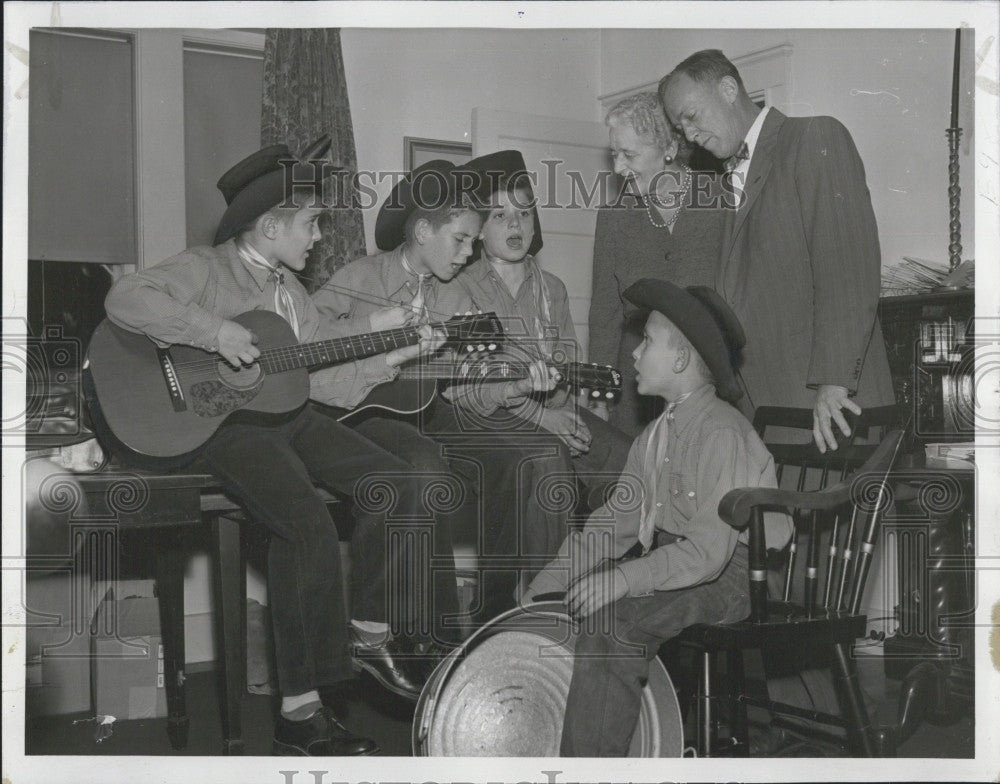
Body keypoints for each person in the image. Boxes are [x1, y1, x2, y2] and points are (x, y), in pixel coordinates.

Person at [101, 140, 443, 755]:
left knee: (397, 482)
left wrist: (385, 346)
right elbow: (125, 300)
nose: (317, 238)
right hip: (219, 427)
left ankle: (367, 632)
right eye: (311, 224)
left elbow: (318, 371)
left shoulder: (290, 291)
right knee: (306, 524)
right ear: (271, 224)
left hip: (288, 415)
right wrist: (214, 331)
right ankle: (298, 714)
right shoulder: (206, 268)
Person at [523, 278, 792, 756]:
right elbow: (611, 526)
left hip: (735, 574)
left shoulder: (722, 433)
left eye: (646, 340)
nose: (633, 353)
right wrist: (547, 586)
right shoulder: (654, 437)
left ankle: (591, 767)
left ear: (682, 360)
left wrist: (627, 578)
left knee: (612, 624)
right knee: (583, 605)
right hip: (681, 563)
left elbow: (710, 552)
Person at [428, 149, 633, 626]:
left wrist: (571, 409)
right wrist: (545, 417)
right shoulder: (461, 288)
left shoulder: (552, 289)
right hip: (486, 421)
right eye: (499, 215)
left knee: (632, 466)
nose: (514, 225)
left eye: (523, 213)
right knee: (548, 463)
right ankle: (539, 610)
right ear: (479, 227)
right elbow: (463, 390)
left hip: (556, 413)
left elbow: (570, 371)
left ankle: (602, 594)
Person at [659, 49, 895, 450]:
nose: (690, 135)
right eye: (680, 127)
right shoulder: (721, 180)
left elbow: (848, 270)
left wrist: (834, 384)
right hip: (766, 411)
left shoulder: (814, 137)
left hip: (828, 407)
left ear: (729, 89)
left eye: (691, 117)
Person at [310, 160, 483, 683]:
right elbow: (306, 344)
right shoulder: (360, 277)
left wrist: (481, 369)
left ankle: (425, 635)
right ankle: (415, 633)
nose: (469, 252)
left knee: (431, 463)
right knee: (426, 465)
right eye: (460, 240)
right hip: (340, 412)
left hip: (399, 419)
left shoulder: (456, 296)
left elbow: (454, 376)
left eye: (473, 242)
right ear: (423, 231)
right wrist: (387, 351)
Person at [588, 92, 724, 438]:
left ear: (668, 147)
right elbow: (605, 315)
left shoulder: (723, 203)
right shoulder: (614, 218)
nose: (618, 168)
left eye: (629, 154)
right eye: (614, 154)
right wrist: (600, 394)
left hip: (712, 387)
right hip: (636, 393)